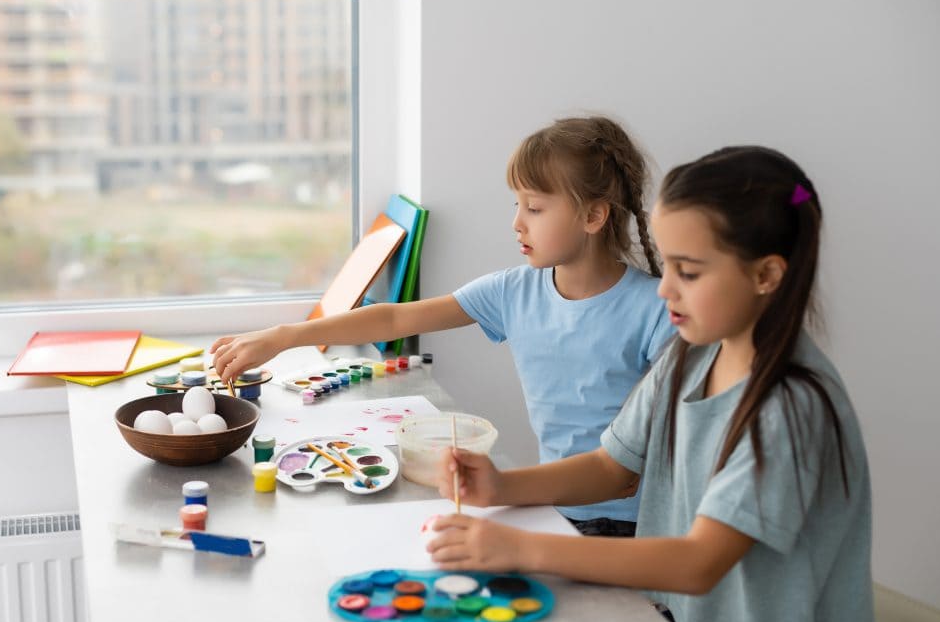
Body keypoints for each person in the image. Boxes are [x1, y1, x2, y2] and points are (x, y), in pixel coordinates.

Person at [428, 146, 873, 622]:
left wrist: (518, 549)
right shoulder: (691, 353)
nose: (663, 289)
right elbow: (612, 466)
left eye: (688, 272)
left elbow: (699, 562)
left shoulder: (790, 408)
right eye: (667, 266)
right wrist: (503, 487)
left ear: (766, 275)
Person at [212, 116, 674, 536]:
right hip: (553, 510)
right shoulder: (514, 291)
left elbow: (625, 470)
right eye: (516, 204)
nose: (516, 223)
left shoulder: (657, 312)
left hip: (637, 525)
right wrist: (286, 336)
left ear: (594, 216)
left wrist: (501, 488)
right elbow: (396, 316)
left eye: (534, 208)